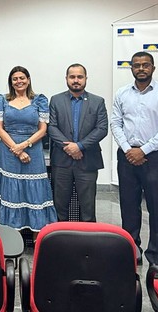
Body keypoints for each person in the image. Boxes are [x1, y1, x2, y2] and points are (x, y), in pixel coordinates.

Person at [111, 51, 158, 267]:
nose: (141, 68)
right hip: (126, 156)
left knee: (157, 208)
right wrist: (128, 149)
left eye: (145, 65)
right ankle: (132, 251)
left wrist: (144, 150)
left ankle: (156, 257)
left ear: (153, 68)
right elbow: (116, 123)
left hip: (154, 158)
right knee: (128, 207)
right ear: (131, 68)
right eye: (137, 65)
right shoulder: (122, 93)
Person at [0, 66, 56, 238]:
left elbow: (43, 129)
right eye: (15, 79)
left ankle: (37, 237)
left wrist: (24, 145)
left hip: (33, 151)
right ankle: (12, 236)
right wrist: (17, 150)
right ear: (11, 82)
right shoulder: (2, 100)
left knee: (36, 193)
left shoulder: (39, 100)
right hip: (9, 151)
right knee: (11, 192)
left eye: (22, 78)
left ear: (28, 79)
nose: (19, 81)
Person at [48, 63, 108, 222]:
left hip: (87, 161)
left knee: (88, 209)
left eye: (79, 77)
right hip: (61, 162)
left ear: (86, 79)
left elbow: (102, 129)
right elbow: (52, 127)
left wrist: (79, 146)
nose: (76, 80)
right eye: (72, 77)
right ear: (66, 79)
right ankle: (60, 240)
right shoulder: (55, 100)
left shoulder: (98, 101)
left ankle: (88, 243)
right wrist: (69, 148)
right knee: (59, 207)